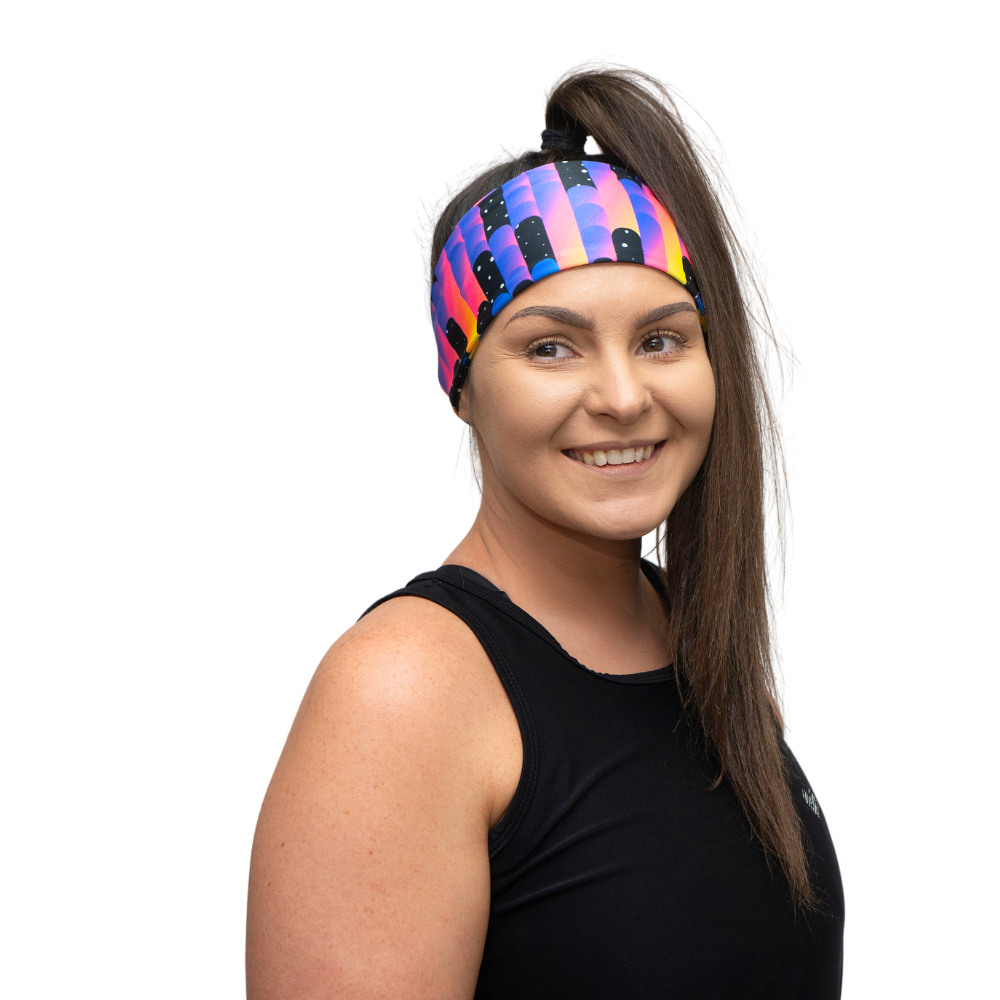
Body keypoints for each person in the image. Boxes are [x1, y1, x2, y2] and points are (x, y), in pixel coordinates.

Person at [246, 67, 844, 999]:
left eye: (661, 339)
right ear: (465, 384)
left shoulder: (692, 635)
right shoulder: (403, 696)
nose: (622, 396)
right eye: (550, 346)